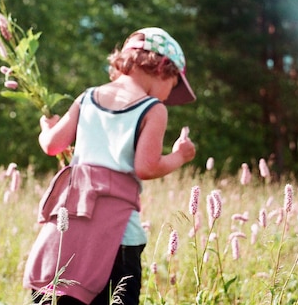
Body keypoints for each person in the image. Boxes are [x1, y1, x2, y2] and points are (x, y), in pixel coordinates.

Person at [23, 27, 196, 304]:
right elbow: (146, 167)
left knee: (57, 295)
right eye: (173, 86)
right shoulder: (153, 109)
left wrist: (47, 127)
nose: (167, 97)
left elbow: (52, 146)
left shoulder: (87, 97)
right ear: (163, 67)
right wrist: (179, 156)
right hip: (117, 238)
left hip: (69, 227)